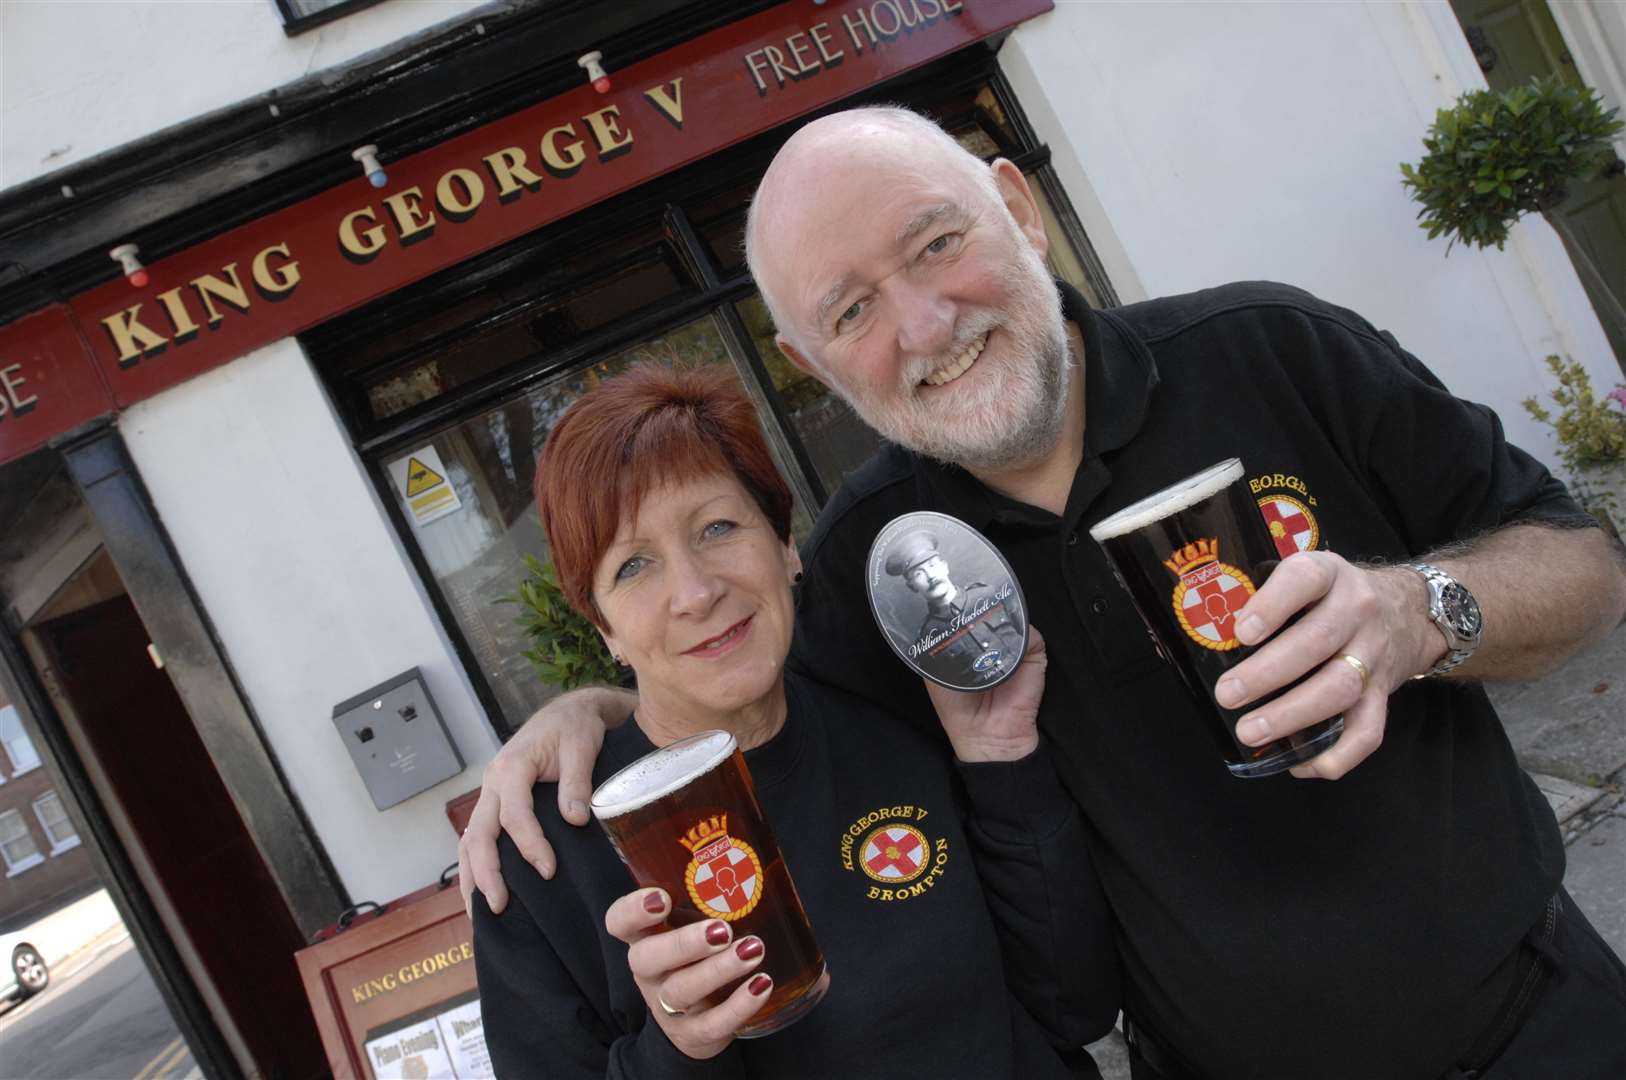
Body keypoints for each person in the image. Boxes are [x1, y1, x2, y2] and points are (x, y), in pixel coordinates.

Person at [462, 108, 1626, 1079]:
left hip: (1547, 1029)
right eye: (852, 312)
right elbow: (737, 681)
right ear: (814, 366)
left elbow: (1586, 564)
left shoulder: (1270, 350)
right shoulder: (884, 562)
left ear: (1020, 210)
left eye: (933, 244)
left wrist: (1423, 611)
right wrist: (594, 717)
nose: (922, 324)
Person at [470, 363, 1117, 1078]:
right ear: (605, 631)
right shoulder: (544, 859)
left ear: (785, 547)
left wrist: (1001, 762)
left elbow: (1074, 1006)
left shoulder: (895, 700)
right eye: (633, 567)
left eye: (717, 527)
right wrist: (680, 1049)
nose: (695, 591)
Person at [883, 528, 1025, 684]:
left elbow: (1026, 631)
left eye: (932, 565)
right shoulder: (928, 639)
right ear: (912, 586)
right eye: (919, 573)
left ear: (945, 566)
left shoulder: (990, 594)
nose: (931, 576)